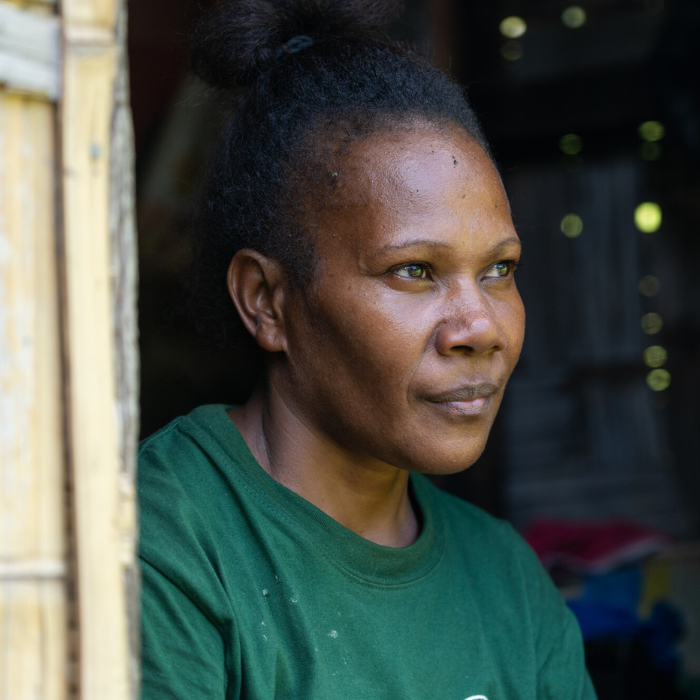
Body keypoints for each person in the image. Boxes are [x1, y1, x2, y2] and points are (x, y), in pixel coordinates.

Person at [138, 1, 597, 698]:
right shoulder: (166, 540)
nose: (480, 328)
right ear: (267, 301)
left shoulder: (507, 583)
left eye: (499, 270)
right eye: (414, 271)